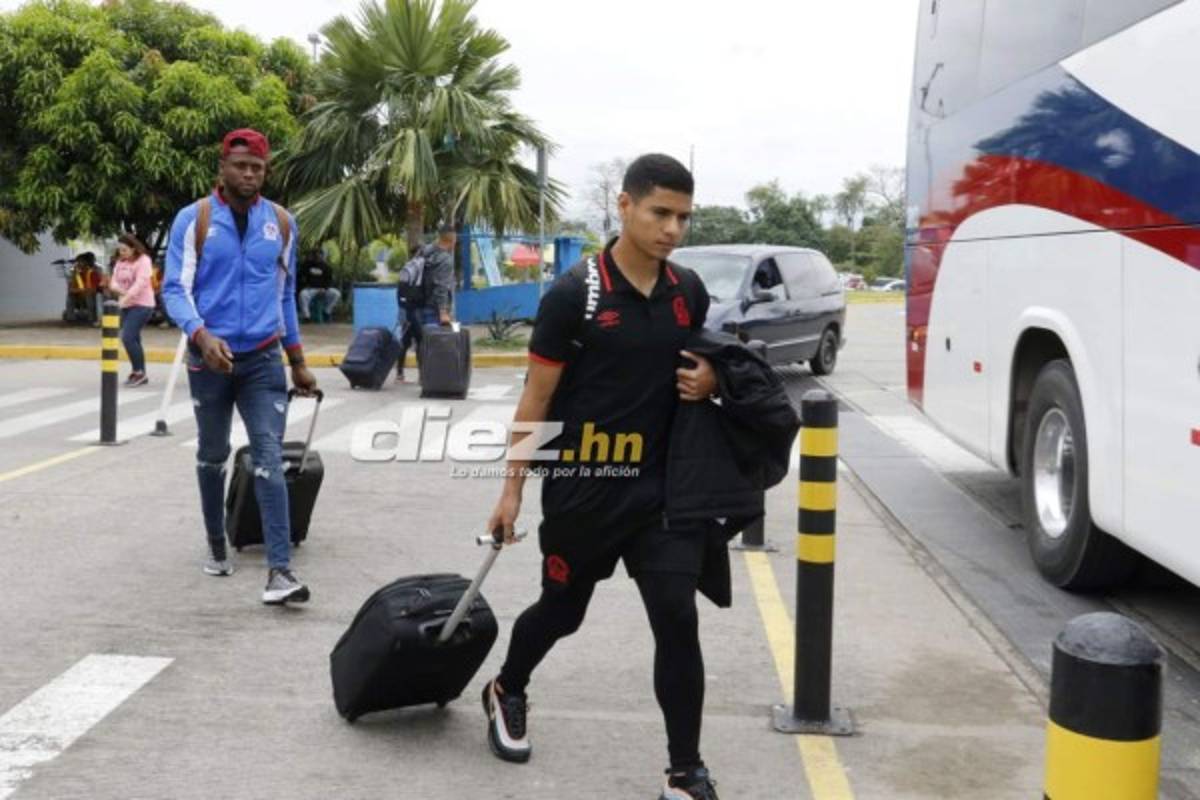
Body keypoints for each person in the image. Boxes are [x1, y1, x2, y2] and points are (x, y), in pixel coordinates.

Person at [481, 154, 722, 800]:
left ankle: (684, 772)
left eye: (682, 217)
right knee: (562, 613)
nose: (672, 229)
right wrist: (511, 491)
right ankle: (506, 687)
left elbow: (709, 363)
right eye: (659, 213)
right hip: (586, 487)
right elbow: (535, 398)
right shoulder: (573, 296)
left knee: (676, 617)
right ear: (624, 206)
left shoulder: (687, 291)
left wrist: (712, 379)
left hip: (661, 494)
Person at [162, 128, 318, 606]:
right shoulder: (196, 220)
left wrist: (298, 361)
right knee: (212, 453)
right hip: (209, 359)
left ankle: (279, 571)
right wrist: (201, 335)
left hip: (263, 359)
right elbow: (174, 289)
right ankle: (215, 542)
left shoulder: (282, 224)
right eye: (241, 166)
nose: (249, 174)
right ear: (223, 168)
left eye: (257, 168)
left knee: (269, 457)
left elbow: (284, 296)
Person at [395, 225, 456, 382]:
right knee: (427, 341)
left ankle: (400, 373)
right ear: (452, 240)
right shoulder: (445, 260)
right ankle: (426, 376)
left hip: (413, 303)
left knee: (409, 337)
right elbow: (441, 287)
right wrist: (443, 311)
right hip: (431, 306)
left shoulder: (424, 251)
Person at [106, 234, 156, 386]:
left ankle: (138, 373)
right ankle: (139, 372)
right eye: (120, 250)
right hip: (126, 305)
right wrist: (117, 289)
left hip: (142, 305)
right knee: (134, 339)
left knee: (127, 337)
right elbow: (113, 281)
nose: (122, 253)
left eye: (125, 250)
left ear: (134, 248)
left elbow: (140, 284)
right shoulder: (120, 262)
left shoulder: (144, 261)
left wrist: (124, 299)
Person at [297, 249, 341, 322]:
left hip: (323, 289)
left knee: (336, 294)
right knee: (302, 294)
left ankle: (327, 312)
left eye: (320, 255)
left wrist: (325, 288)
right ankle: (307, 316)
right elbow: (301, 277)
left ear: (323, 256)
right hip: (311, 289)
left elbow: (329, 280)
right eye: (316, 255)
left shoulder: (327, 267)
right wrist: (305, 285)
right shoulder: (307, 265)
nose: (318, 256)